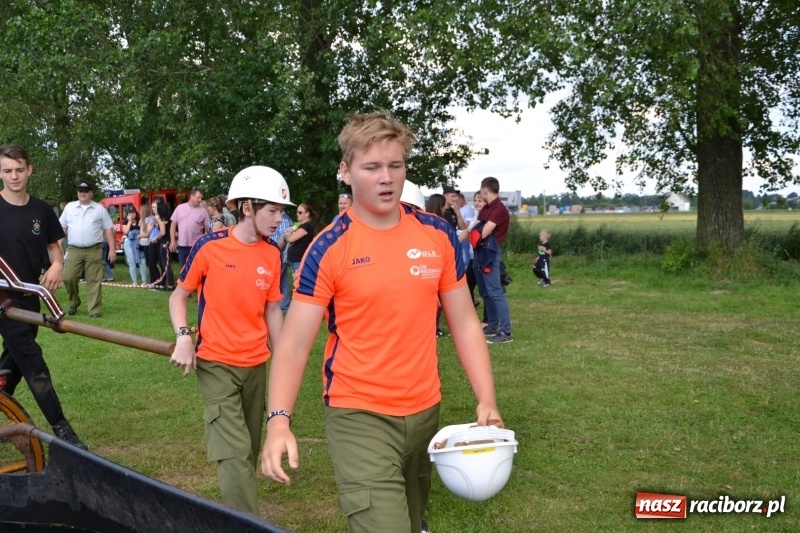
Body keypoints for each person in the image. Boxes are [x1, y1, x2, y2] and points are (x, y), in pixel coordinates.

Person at [261, 111, 503, 533]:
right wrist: (279, 419)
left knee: (412, 522)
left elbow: (464, 323)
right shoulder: (328, 248)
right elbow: (295, 344)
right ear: (346, 171)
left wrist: (487, 398)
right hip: (359, 417)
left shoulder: (437, 234)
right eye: (372, 167)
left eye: (396, 165)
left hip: (426, 412)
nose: (387, 178)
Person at [168, 165, 292, 516]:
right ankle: (247, 524)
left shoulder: (271, 254)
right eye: (272, 210)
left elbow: (272, 310)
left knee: (249, 448)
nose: (278, 219)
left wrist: (283, 353)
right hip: (216, 363)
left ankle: (238, 508)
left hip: (256, 364)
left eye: (281, 211)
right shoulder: (210, 247)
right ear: (247, 207)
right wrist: (183, 337)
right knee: (234, 452)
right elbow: (179, 297)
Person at [0, 143, 87, 450]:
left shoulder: (41, 209)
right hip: (3, 301)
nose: (14, 177)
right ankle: (63, 432)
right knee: (33, 363)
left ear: (30, 170)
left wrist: (58, 264)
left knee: (13, 363)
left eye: (19, 170)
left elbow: (54, 246)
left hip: (30, 297)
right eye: (7, 171)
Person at [60, 182, 116, 318]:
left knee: (94, 280)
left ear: (91, 193)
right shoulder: (69, 208)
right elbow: (62, 229)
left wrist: (112, 249)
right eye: (80, 191)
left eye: (86, 191)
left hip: (94, 249)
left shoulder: (99, 209)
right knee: (68, 277)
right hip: (74, 249)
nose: (83, 193)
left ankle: (94, 311)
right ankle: (74, 302)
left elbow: (108, 229)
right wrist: (57, 248)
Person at [474, 176, 512, 344]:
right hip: (480, 252)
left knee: (496, 293)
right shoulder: (488, 208)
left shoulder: (499, 209)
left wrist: (478, 232)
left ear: (485, 190)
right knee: (486, 292)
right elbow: (477, 227)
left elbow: (483, 231)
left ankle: (506, 332)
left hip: (490, 253)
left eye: (481, 190)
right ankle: (492, 325)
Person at [169, 188, 210, 271]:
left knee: (196, 269)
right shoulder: (180, 208)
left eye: (201, 198)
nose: (200, 200)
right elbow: (173, 225)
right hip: (182, 245)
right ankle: (184, 283)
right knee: (183, 269)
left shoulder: (203, 211)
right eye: (198, 197)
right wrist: (172, 241)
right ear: (191, 196)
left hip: (196, 245)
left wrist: (203, 240)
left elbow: (208, 227)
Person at [282, 203, 317, 276]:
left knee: (298, 282)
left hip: (299, 260)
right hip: (295, 260)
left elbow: (291, 239)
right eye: (297, 212)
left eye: (300, 212)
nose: (297, 214)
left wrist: (287, 233)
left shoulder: (307, 226)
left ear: (307, 214)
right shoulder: (301, 226)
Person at [272, 210, 294, 313]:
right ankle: (284, 307)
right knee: (283, 281)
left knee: (274, 281)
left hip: (279, 255)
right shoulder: (283, 218)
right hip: (279, 255)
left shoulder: (284, 220)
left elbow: (283, 240)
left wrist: (274, 252)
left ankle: (281, 307)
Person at [122, 208, 148, 286]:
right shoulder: (125, 222)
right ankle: (134, 281)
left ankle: (144, 281)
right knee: (131, 262)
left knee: (142, 261)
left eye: (133, 212)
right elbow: (125, 231)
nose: (132, 214)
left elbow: (144, 230)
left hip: (138, 242)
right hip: (129, 243)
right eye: (130, 213)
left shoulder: (140, 220)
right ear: (127, 214)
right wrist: (129, 221)